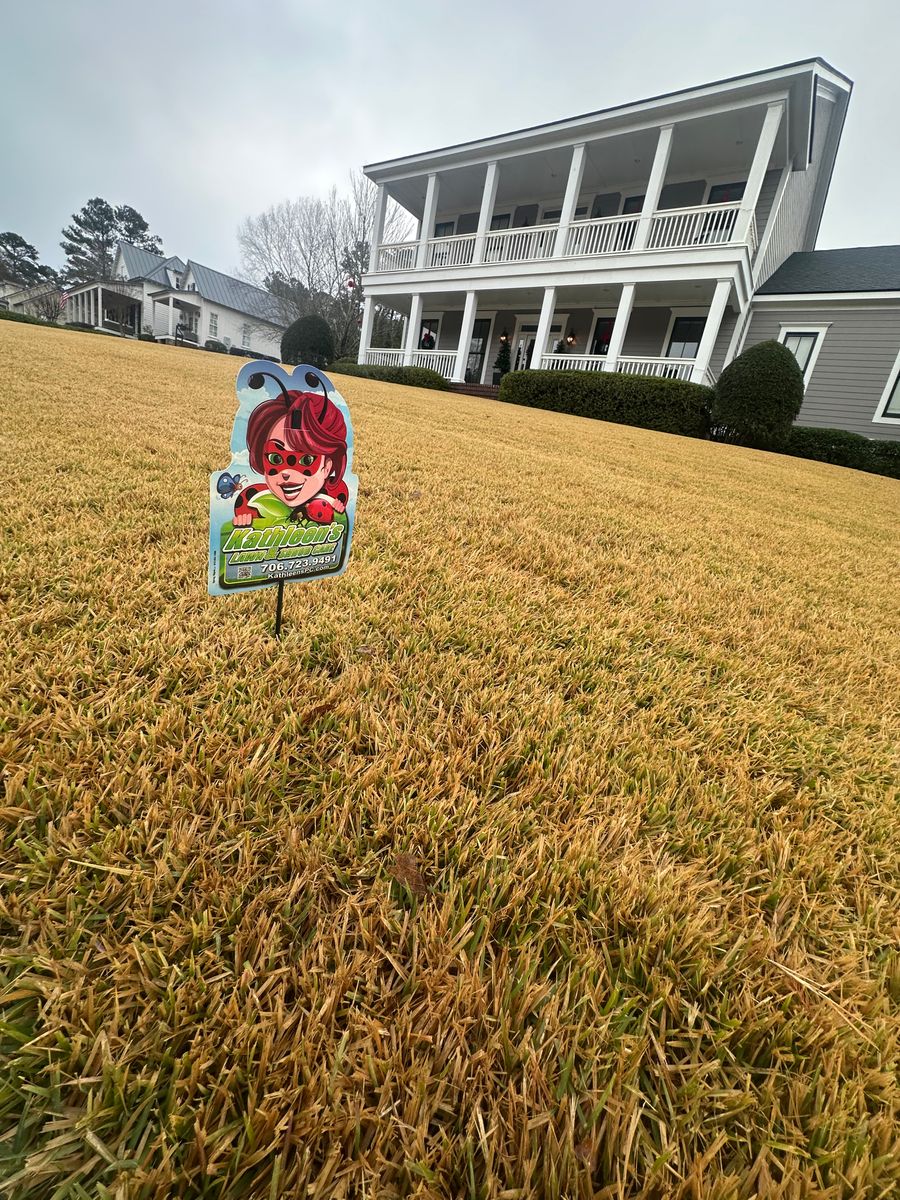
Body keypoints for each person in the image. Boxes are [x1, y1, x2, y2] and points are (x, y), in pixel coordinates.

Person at [232, 389, 349, 526]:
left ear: (326, 467)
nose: (286, 472)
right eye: (275, 459)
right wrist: (243, 522)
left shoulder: (332, 496)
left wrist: (338, 509)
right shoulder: (254, 501)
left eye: (306, 460)